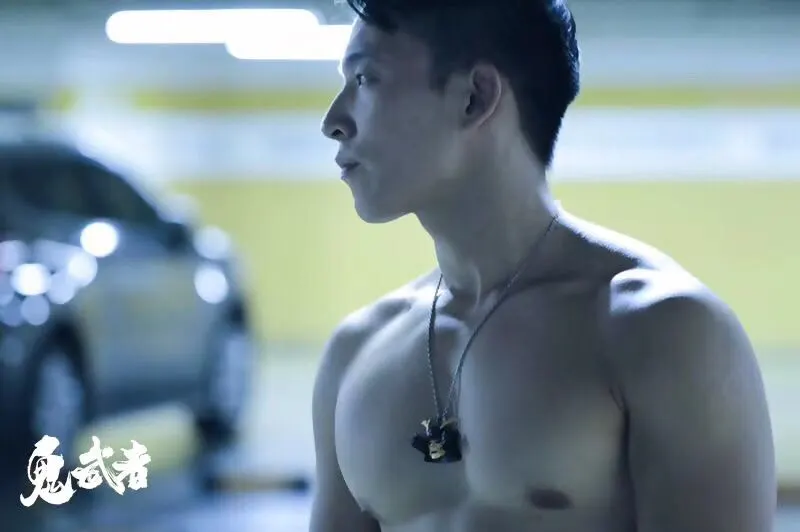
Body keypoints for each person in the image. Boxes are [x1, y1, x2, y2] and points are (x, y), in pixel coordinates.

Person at [311, 1, 777, 531]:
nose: (333, 122)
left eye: (365, 79)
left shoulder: (661, 330)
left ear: (474, 97)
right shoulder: (355, 354)